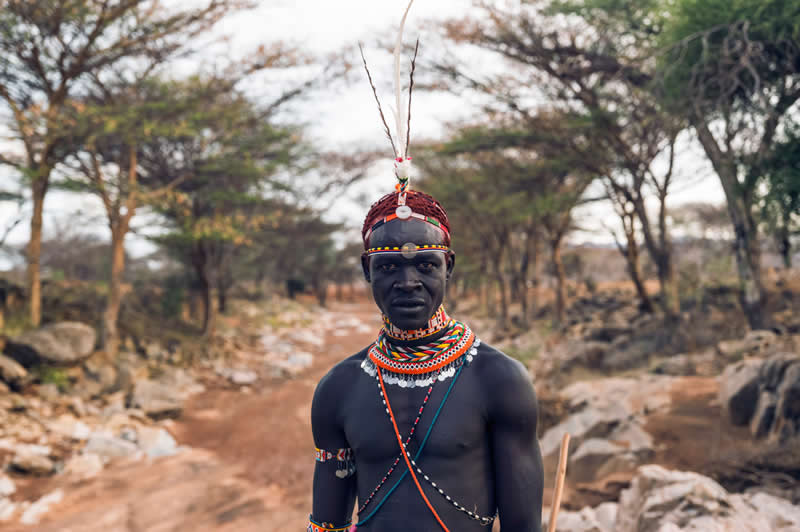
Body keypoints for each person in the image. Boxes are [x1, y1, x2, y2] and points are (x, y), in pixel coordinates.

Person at [307, 3, 543, 530]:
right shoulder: (338, 390)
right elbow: (325, 524)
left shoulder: (500, 381)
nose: (407, 281)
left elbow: (524, 526)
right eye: (388, 267)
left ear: (449, 267)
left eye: (424, 264)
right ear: (366, 273)